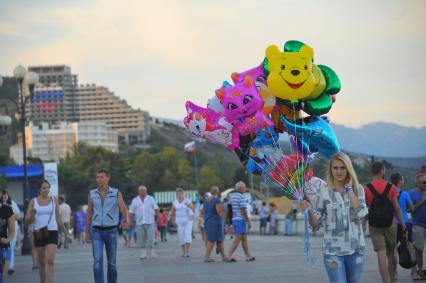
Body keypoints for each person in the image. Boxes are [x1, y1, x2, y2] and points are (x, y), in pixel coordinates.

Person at [304, 152, 368, 283]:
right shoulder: (323, 192)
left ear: (348, 169)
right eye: (335, 168)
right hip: (332, 250)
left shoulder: (358, 189)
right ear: (330, 170)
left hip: (356, 249)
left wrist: (349, 189)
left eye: (342, 168)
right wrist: (309, 211)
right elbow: (315, 225)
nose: (339, 171)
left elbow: (362, 214)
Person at [364, 162, 407, 283]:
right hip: (391, 224)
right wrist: (403, 226)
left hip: (374, 225)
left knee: (381, 254)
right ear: (383, 171)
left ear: (372, 171)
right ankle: (392, 280)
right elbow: (397, 208)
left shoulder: (366, 188)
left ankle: (386, 281)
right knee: (391, 253)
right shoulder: (391, 187)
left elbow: (367, 206)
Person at [85, 170, 128, 283]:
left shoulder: (116, 192)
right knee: (97, 262)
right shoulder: (92, 193)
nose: (99, 179)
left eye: (101, 177)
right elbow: (89, 213)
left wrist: (124, 220)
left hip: (112, 231)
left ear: (108, 178)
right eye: (97, 177)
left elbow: (123, 209)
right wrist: (86, 232)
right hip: (96, 231)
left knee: (112, 263)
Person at [25, 179, 72, 283]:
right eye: (44, 188)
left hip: (52, 232)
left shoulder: (54, 200)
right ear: (39, 189)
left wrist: (67, 233)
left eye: (48, 188)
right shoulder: (33, 202)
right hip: (39, 233)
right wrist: (32, 214)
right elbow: (27, 220)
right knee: (41, 263)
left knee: (50, 261)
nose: (46, 190)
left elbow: (58, 218)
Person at [390, 172, 415, 279]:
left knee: (393, 249)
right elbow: (412, 208)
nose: (403, 181)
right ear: (400, 181)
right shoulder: (405, 194)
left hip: (393, 224)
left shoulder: (389, 192)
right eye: (403, 179)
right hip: (405, 223)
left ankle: (394, 273)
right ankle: (414, 272)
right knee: (410, 246)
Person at [129, 185, 159, 260]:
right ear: (139, 191)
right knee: (140, 239)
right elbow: (131, 212)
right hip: (139, 223)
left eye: (145, 190)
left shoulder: (151, 198)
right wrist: (131, 221)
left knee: (151, 237)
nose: (144, 192)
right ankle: (143, 253)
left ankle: (151, 250)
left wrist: (158, 218)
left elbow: (156, 208)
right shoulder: (135, 200)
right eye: (142, 190)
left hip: (150, 222)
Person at [227, 181, 255, 262]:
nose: (245, 189)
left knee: (244, 238)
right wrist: (248, 221)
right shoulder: (242, 197)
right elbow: (244, 210)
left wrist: (229, 221)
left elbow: (229, 209)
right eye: (245, 187)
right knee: (238, 238)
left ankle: (248, 256)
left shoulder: (231, 197)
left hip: (234, 219)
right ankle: (228, 255)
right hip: (240, 220)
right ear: (241, 188)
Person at [203, 186, 230, 262]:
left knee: (219, 240)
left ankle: (224, 256)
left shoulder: (206, 200)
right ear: (217, 192)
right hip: (215, 223)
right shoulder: (216, 200)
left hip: (208, 222)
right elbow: (219, 212)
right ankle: (206, 257)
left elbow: (204, 211)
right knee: (212, 240)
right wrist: (225, 221)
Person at [409, 173, 426, 280]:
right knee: (418, 249)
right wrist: (423, 200)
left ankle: (421, 271)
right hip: (418, 224)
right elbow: (409, 209)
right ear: (417, 183)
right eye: (424, 182)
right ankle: (416, 271)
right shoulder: (411, 193)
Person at [1, 190, 21, 275]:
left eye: (6, 195)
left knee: (10, 248)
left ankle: (10, 266)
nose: (5, 196)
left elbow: (19, 215)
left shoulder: (11, 205)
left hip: (11, 229)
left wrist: (13, 216)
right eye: (3, 195)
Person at [170, 188, 195, 258]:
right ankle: (184, 252)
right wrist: (173, 220)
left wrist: (190, 207)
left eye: (179, 194)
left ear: (182, 194)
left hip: (188, 220)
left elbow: (193, 208)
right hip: (179, 221)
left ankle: (187, 252)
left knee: (187, 235)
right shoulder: (175, 202)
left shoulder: (187, 200)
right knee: (181, 237)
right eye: (176, 194)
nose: (178, 195)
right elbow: (172, 212)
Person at [0, 190, 15, 283]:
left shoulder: (7, 209)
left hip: (3, 247)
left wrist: (7, 239)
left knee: (1, 277)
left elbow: (12, 231)